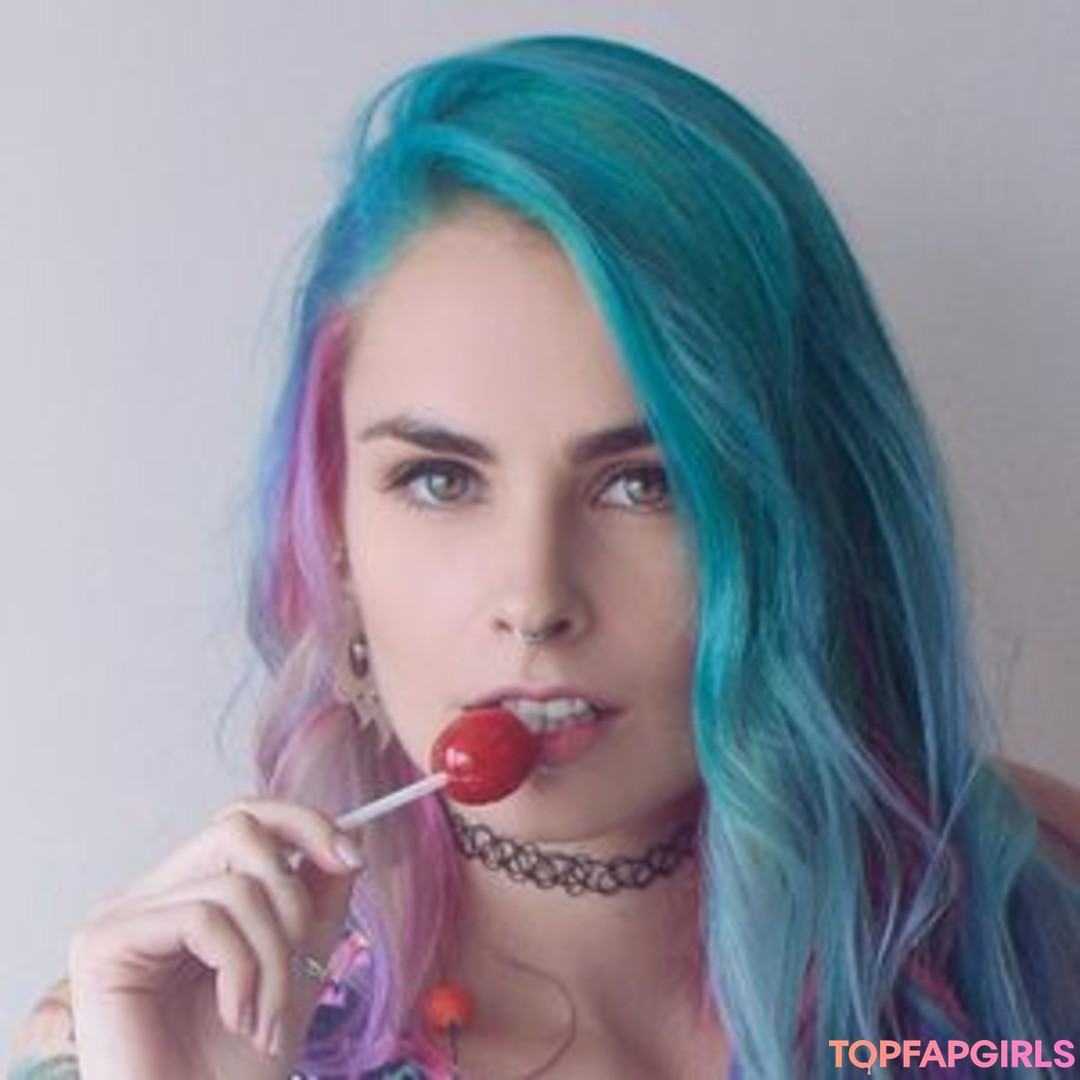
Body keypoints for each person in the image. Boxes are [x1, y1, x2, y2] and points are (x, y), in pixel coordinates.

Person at [11, 34, 1080, 1080]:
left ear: (805, 516)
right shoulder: (141, 1040)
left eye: (644, 484)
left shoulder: (1032, 918)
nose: (534, 597)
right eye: (441, 479)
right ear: (333, 543)